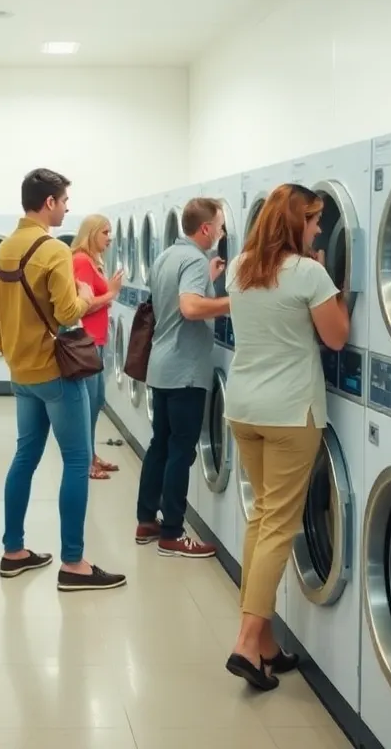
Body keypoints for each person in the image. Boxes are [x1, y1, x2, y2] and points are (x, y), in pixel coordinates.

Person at [223, 183, 349, 692]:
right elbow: (336, 336)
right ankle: (246, 643)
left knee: (262, 517)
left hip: (243, 408)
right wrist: (335, 286)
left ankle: (266, 642)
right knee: (279, 524)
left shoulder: (240, 266)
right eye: (314, 220)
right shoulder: (308, 273)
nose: (319, 229)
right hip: (289, 412)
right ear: (296, 222)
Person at [0, 168, 126, 593]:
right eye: (65, 200)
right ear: (48, 202)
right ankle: (74, 563)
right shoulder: (51, 250)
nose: (68, 207)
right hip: (55, 370)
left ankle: (14, 551)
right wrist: (87, 296)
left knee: (24, 457)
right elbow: (69, 314)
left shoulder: (5, 248)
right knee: (75, 460)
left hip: (20, 371)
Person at [135, 197, 231, 559]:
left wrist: (209, 282)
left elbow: (175, 301)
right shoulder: (195, 258)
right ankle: (173, 533)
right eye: (220, 226)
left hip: (161, 366)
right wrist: (233, 301)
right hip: (187, 372)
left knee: (160, 444)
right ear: (205, 229)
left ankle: (147, 519)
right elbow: (190, 308)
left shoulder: (167, 256)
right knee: (180, 451)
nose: (222, 232)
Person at [69, 215, 124, 479]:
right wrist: (111, 294)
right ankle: (86, 462)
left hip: (97, 340)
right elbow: (84, 303)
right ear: (91, 234)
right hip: (87, 342)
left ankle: (91, 455)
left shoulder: (92, 261)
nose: (109, 237)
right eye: (105, 232)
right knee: (88, 405)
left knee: (97, 400)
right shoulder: (80, 260)